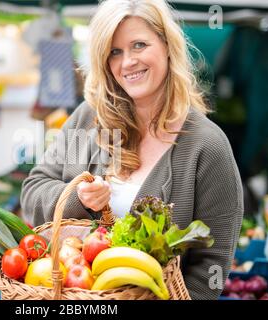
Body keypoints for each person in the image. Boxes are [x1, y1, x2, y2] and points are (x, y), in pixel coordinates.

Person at [21, 0, 243, 300]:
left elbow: (212, 264)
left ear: (167, 45)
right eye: (115, 51)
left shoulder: (206, 146)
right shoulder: (88, 121)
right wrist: (78, 199)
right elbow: (34, 190)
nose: (127, 63)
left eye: (139, 45)